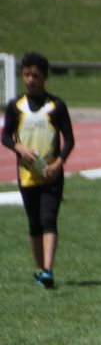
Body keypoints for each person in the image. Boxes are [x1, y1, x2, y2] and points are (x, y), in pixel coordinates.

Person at [2, 52, 75, 289]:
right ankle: (39, 269)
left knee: (48, 219)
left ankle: (48, 270)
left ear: (45, 77)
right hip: (27, 174)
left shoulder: (57, 106)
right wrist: (19, 148)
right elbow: (5, 136)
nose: (30, 80)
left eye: (35, 75)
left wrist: (57, 164)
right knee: (34, 223)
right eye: (26, 75)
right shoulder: (15, 106)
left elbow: (70, 140)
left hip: (51, 174)